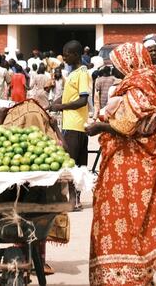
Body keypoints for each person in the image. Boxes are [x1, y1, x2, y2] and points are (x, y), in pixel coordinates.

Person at [85, 42, 156, 286]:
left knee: (127, 218)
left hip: (130, 165)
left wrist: (100, 126)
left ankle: (125, 276)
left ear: (130, 63)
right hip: (135, 163)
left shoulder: (140, 88)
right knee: (132, 218)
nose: (116, 70)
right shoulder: (145, 83)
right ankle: (132, 273)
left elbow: (126, 126)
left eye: (118, 65)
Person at [49, 40, 91, 210]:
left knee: (73, 165)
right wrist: (52, 104)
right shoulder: (72, 74)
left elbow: (82, 100)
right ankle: (75, 199)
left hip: (76, 125)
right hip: (73, 124)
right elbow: (67, 97)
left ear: (75, 55)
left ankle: (74, 199)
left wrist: (61, 107)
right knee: (77, 165)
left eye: (67, 55)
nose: (64, 58)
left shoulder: (82, 73)